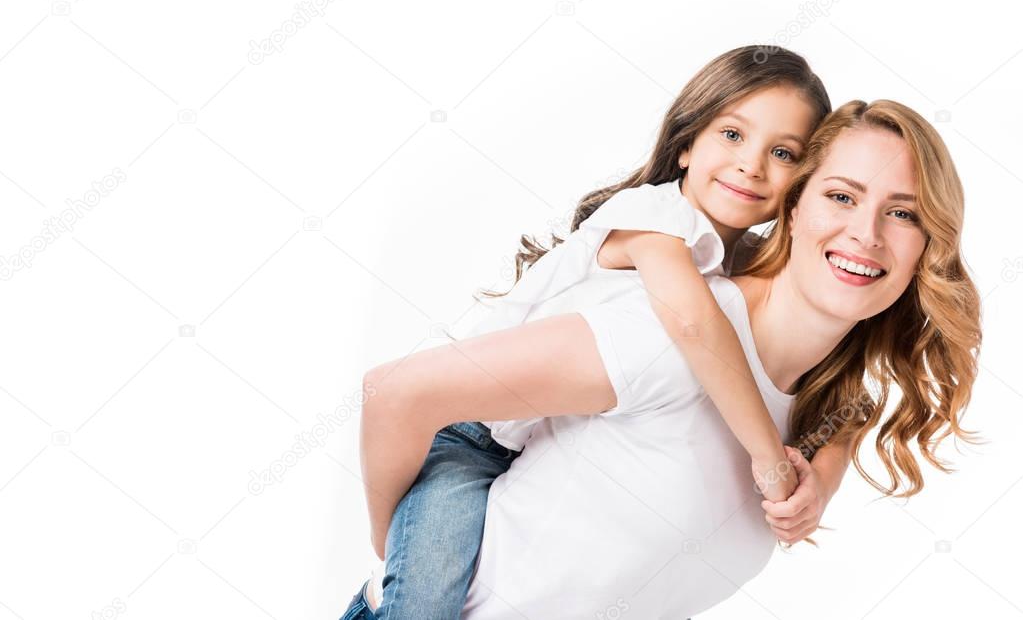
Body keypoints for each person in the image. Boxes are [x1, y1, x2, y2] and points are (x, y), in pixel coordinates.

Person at [342, 98, 982, 618]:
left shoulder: (826, 407)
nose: (866, 234)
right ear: (793, 208)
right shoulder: (665, 328)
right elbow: (396, 391)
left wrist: (829, 471)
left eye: (903, 213)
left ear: (930, 243)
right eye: (841, 197)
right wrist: (396, 547)